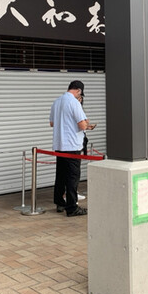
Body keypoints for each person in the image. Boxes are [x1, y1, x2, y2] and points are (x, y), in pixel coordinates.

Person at [49, 80, 90, 217]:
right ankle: (72, 207)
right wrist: (87, 123)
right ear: (78, 91)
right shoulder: (74, 102)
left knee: (60, 175)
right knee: (73, 177)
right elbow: (82, 125)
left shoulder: (56, 102)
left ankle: (60, 202)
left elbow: (52, 123)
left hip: (59, 144)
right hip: (72, 145)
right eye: (80, 94)